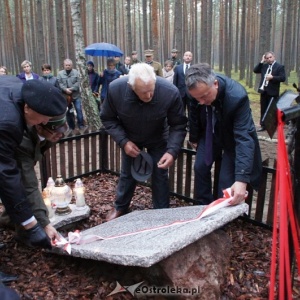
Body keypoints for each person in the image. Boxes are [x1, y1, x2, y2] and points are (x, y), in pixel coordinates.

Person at [100, 63, 187, 221]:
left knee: (160, 174)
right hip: (131, 137)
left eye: (151, 90)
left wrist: (172, 151)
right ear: (131, 86)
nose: (148, 96)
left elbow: (178, 125)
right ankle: (120, 207)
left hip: (158, 136)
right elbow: (107, 118)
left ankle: (161, 212)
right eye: (143, 92)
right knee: (127, 173)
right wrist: (123, 141)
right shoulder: (116, 89)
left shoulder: (169, 92)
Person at [0, 76, 67, 280]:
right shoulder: (9, 124)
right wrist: (36, 225)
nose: (47, 122)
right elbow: (13, 179)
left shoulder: (25, 92)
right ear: (28, 108)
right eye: (44, 119)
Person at [187, 63, 262, 206]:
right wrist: (194, 137)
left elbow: (244, 137)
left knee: (226, 181)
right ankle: (203, 207)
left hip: (231, 137)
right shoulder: (195, 91)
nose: (201, 102)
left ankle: (222, 216)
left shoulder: (237, 97)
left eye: (204, 96)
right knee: (200, 167)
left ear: (215, 84)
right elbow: (194, 115)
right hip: (209, 134)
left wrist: (241, 178)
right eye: (197, 99)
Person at [0, 114, 68, 246]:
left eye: (62, 131)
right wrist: (44, 224)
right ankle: (25, 233)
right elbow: (29, 186)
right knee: (19, 186)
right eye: (55, 132)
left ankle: (8, 218)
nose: (60, 135)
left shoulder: (46, 132)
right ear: (39, 126)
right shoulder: (22, 141)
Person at [253, 51, 286, 132]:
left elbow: (283, 78)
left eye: (270, 57)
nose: (269, 59)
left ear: (274, 57)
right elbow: (255, 70)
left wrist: (272, 77)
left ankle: (272, 126)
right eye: (267, 58)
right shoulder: (264, 66)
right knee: (263, 108)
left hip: (273, 92)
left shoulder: (279, 67)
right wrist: (262, 61)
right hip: (263, 91)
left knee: (271, 110)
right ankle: (263, 125)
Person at [57, 58, 85, 130]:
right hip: (65, 96)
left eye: (69, 65)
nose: (68, 66)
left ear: (72, 65)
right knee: (68, 112)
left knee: (79, 110)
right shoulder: (60, 74)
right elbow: (59, 83)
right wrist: (65, 89)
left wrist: (72, 89)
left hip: (76, 95)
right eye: (66, 65)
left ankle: (81, 125)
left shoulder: (76, 72)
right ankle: (71, 127)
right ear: (64, 65)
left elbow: (78, 82)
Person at [173, 51, 193, 115]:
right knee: (181, 111)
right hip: (180, 93)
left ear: (191, 58)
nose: (188, 57)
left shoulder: (194, 68)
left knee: (191, 111)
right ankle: (183, 124)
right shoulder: (177, 68)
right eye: (186, 55)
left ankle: (190, 124)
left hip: (191, 93)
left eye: (190, 56)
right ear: (183, 57)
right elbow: (175, 81)